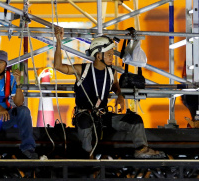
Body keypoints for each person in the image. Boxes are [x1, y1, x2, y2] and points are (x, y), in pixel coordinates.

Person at [53, 26, 165, 159]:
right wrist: (59, 41)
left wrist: (119, 94)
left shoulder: (111, 72)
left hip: (103, 116)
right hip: (84, 114)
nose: (113, 58)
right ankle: (89, 155)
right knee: (84, 121)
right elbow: (58, 66)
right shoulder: (82, 69)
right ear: (99, 55)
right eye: (109, 55)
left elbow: (115, 84)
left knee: (135, 119)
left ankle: (141, 149)